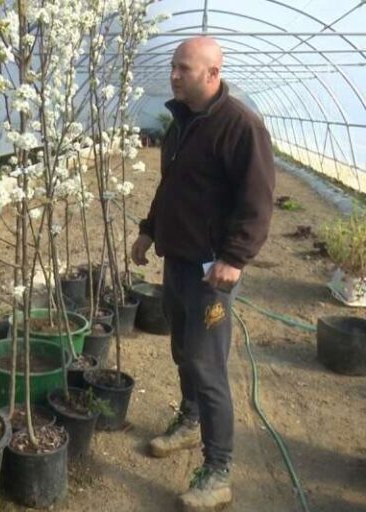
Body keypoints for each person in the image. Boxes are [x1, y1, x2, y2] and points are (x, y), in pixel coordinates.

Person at [131, 37, 275, 511]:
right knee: (180, 349)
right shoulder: (182, 124)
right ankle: (190, 420)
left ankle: (219, 470)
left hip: (212, 270)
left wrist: (235, 258)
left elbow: (257, 201)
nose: (174, 75)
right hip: (178, 259)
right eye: (174, 66)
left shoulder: (240, 127)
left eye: (184, 68)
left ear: (213, 73)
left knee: (207, 365)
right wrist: (149, 231)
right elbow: (170, 186)